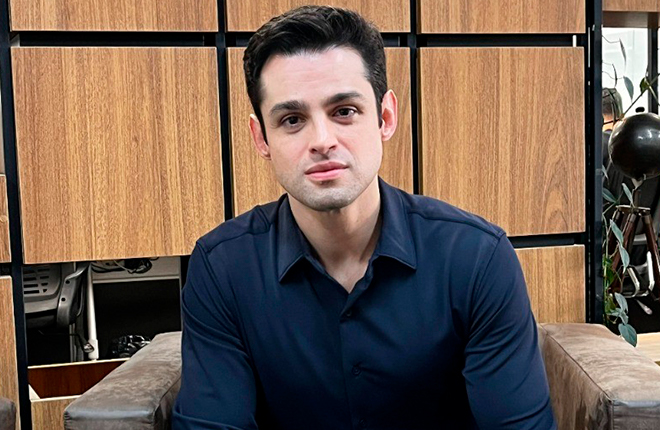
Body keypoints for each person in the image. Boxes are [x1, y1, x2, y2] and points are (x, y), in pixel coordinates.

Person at [172, 6, 556, 429]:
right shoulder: (222, 269)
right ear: (261, 137)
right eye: (292, 120)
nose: (322, 141)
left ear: (385, 117)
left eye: (344, 111)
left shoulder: (477, 258)